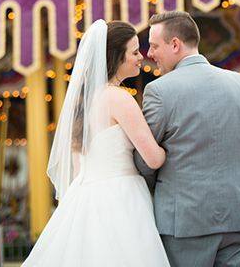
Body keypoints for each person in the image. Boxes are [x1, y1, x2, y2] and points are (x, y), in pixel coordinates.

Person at [22, 19, 170, 267]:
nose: (140, 57)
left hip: (84, 198)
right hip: (122, 197)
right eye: (134, 52)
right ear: (116, 57)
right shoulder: (119, 98)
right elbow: (154, 158)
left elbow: (78, 168)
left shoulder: (82, 104)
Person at [134, 11, 240, 267]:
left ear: (175, 44)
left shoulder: (159, 91)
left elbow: (144, 161)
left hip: (184, 223)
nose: (150, 54)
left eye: (153, 45)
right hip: (236, 217)